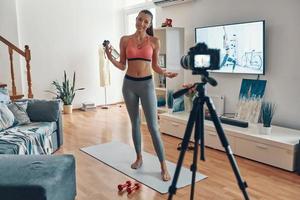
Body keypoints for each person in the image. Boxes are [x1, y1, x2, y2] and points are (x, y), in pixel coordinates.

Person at [104, 9, 177, 181]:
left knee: (153, 126)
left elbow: (155, 67)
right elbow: (122, 65)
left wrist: (165, 73)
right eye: (139, 20)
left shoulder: (154, 41)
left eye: (145, 21)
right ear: (135, 20)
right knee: (135, 122)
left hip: (146, 85)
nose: (141, 24)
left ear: (149, 24)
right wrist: (109, 56)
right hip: (129, 85)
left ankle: (163, 165)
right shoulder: (125, 40)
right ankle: (138, 157)